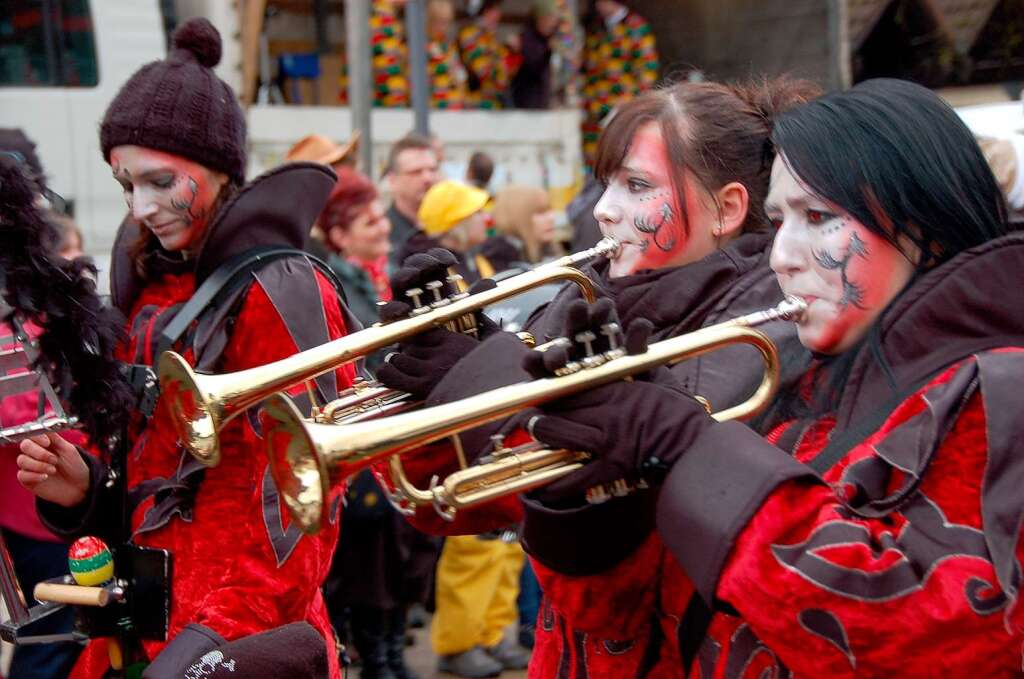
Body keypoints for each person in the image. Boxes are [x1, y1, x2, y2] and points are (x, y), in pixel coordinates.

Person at [527, 79, 1024, 675]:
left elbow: (941, 641)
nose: (781, 255)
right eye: (778, 220)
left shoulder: (1000, 389)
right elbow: (637, 617)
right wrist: (588, 507)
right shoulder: (803, 379)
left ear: (925, 224)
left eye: (818, 217)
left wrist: (695, 455)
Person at [372, 77, 819, 677]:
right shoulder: (591, 299)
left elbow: (640, 486)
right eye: (607, 182)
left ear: (728, 209)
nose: (604, 209)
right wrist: (435, 382)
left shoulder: (768, 310)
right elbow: (460, 508)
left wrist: (483, 376)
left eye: (637, 185)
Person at [15, 19, 356, 678]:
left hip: (239, 637)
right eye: (125, 185)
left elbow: (302, 512)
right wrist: (86, 486)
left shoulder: (282, 287)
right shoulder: (148, 285)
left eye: (161, 181)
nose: (141, 207)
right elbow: (151, 469)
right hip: (142, 621)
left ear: (220, 170)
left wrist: (205, 647)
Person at [580, 0, 659, 168]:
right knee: (595, 164)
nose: (598, 5)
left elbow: (648, 68)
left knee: (621, 161)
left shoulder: (636, 27)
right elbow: (587, 66)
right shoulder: (596, 28)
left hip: (622, 108)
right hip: (595, 110)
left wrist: (632, 100)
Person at [395, 179, 491, 280]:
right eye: (478, 212)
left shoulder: (476, 253)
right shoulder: (431, 274)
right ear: (457, 222)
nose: (487, 217)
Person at [385, 133, 442, 268]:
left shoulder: (449, 230)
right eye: (416, 172)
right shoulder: (383, 236)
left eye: (432, 170)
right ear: (393, 181)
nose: (428, 178)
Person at [457, 0, 511, 110]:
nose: (498, 14)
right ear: (485, 11)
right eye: (494, 10)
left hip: (494, 104)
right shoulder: (469, 34)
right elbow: (483, 71)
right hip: (475, 104)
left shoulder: (491, 38)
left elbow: (504, 76)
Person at [509, 0, 558, 110]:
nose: (551, 24)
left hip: (542, 102)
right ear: (539, 19)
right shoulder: (526, 39)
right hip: (527, 103)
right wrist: (548, 52)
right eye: (548, 19)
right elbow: (533, 65)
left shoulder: (547, 40)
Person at [425, 0, 468, 110]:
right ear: (430, 21)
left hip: (454, 108)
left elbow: (461, 77)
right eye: (439, 22)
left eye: (446, 22)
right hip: (433, 108)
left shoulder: (449, 48)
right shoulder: (423, 47)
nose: (443, 27)